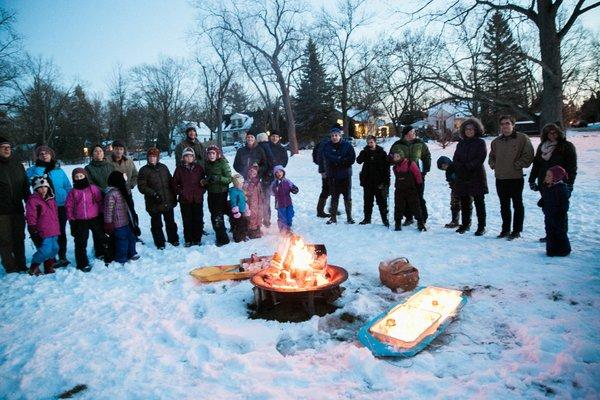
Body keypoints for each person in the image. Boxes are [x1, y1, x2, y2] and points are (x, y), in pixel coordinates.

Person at [529, 123, 577, 241]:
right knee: (548, 210)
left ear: (559, 132)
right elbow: (536, 165)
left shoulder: (566, 146)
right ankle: (550, 234)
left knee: (560, 211)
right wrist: (531, 179)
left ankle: (561, 237)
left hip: (560, 185)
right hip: (544, 183)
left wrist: (570, 184)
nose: (552, 135)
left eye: (554, 132)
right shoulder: (542, 146)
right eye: (549, 132)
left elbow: (572, 167)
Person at [488, 115, 534, 240]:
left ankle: (517, 230)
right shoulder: (496, 142)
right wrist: (493, 165)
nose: (504, 126)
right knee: (504, 205)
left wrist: (517, 165)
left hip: (515, 177)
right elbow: (491, 156)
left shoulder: (522, 138)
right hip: (500, 178)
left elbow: (528, 155)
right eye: (502, 124)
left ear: (513, 125)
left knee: (517, 204)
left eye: (507, 123)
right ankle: (505, 229)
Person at [26, 145, 72, 267]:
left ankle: (62, 256)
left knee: (60, 231)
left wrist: (67, 200)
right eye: (41, 153)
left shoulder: (58, 170)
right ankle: (49, 258)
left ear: (51, 155)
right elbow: (26, 186)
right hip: (43, 208)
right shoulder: (32, 171)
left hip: (60, 205)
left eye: (47, 153)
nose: (44, 154)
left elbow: (67, 186)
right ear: (37, 156)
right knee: (46, 233)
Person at [388, 125, 431, 225]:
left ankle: (422, 218)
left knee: (419, 196)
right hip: (402, 176)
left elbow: (426, 156)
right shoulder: (397, 144)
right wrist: (392, 159)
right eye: (413, 131)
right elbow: (390, 158)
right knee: (404, 197)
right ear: (407, 133)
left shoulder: (420, 143)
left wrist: (426, 169)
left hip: (417, 174)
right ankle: (408, 217)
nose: (414, 133)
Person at [452, 118, 489, 236]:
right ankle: (465, 224)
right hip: (462, 176)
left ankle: (481, 226)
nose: (469, 131)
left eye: (471, 129)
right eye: (467, 129)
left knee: (479, 202)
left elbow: (480, 158)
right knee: (464, 202)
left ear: (476, 130)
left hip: (476, 175)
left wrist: (467, 166)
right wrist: (460, 167)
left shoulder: (480, 143)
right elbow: (455, 158)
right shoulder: (460, 144)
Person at [137, 147, 179, 249]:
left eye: (154, 156)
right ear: (147, 158)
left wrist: (174, 193)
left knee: (170, 222)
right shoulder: (143, 170)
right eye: (150, 156)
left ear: (158, 157)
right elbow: (141, 186)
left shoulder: (164, 167)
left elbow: (170, 181)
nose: (152, 159)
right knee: (156, 224)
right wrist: (153, 193)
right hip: (154, 202)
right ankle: (160, 243)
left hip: (167, 200)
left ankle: (173, 239)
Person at [65, 168, 104, 272]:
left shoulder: (93, 188)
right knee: (80, 242)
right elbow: (69, 207)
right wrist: (72, 220)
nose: (79, 178)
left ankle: (101, 253)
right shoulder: (72, 192)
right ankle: (82, 263)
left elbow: (99, 201)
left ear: (85, 176)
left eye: (81, 176)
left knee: (100, 236)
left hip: (94, 218)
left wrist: (101, 214)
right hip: (80, 220)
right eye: (76, 177)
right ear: (73, 179)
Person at [0, 137, 30, 273]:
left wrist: (30, 202)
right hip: (2, 212)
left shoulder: (18, 165)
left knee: (19, 237)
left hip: (17, 208)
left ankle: (21, 264)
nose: (7, 149)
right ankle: (10, 267)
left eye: (9, 147)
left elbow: (25, 186)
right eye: (3, 147)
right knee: (5, 240)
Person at [320, 125, 356, 224]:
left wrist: (339, 160)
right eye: (332, 136)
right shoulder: (327, 146)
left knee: (347, 197)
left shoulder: (347, 145)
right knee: (334, 197)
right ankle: (333, 217)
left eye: (336, 135)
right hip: (333, 176)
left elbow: (351, 159)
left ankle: (349, 217)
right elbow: (327, 157)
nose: (334, 137)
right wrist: (340, 159)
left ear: (340, 136)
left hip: (345, 175)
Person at [25, 176, 60, 275]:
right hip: (43, 231)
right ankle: (34, 266)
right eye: (40, 187)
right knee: (45, 250)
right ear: (36, 189)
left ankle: (48, 266)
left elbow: (55, 213)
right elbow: (31, 216)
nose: (43, 189)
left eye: (45, 187)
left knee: (55, 249)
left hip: (54, 230)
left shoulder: (51, 199)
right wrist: (33, 229)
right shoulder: (33, 201)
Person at [173, 147, 206, 247]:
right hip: (185, 199)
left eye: (191, 156)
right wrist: (181, 192)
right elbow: (174, 183)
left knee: (198, 219)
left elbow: (204, 181)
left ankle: (197, 239)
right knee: (187, 220)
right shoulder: (179, 169)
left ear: (193, 157)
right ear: (183, 157)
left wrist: (201, 190)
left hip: (197, 198)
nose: (188, 158)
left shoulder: (199, 168)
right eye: (186, 156)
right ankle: (188, 239)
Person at [104, 171, 138, 263]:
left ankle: (132, 253)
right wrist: (108, 223)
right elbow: (108, 211)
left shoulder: (122, 190)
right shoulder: (111, 194)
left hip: (126, 221)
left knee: (131, 238)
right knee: (122, 241)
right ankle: (121, 258)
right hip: (118, 223)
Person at [356, 135, 390, 226]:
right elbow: (358, 161)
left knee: (382, 202)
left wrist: (386, 182)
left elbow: (387, 169)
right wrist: (363, 153)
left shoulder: (382, 153)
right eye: (368, 142)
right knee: (367, 201)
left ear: (375, 142)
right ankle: (367, 219)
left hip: (379, 182)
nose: (370, 144)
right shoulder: (365, 152)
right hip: (367, 181)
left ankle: (384, 219)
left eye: (371, 142)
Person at [109, 140, 140, 237]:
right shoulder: (107, 162)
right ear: (113, 149)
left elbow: (136, 175)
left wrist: (131, 184)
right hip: (113, 196)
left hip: (127, 193)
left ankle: (134, 234)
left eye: (121, 149)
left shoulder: (129, 161)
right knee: (117, 217)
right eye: (117, 149)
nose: (119, 151)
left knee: (131, 213)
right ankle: (118, 237)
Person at [540, 165, 571, 257]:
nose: (546, 178)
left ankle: (564, 250)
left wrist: (561, 213)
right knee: (550, 232)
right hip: (548, 214)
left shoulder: (561, 189)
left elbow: (565, 203)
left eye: (549, 176)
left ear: (556, 177)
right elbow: (545, 198)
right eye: (546, 175)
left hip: (559, 216)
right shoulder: (547, 187)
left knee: (560, 233)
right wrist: (541, 202)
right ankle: (551, 250)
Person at [204, 145, 232, 247]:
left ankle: (223, 239)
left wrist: (219, 178)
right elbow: (207, 177)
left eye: (213, 153)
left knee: (217, 216)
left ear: (217, 154)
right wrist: (206, 181)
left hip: (221, 193)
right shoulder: (207, 164)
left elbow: (229, 179)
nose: (211, 155)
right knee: (214, 215)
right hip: (211, 193)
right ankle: (220, 233)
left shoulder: (223, 163)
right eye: (209, 153)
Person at [391, 154, 426, 232]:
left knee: (415, 206)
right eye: (394, 157)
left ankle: (420, 223)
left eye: (397, 156)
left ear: (402, 156)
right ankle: (398, 222)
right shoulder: (395, 167)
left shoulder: (410, 163)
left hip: (411, 189)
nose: (396, 158)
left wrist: (419, 185)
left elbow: (417, 174)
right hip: (399, 189)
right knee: (398, 206)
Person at [271, 165, 299, 233]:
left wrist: (294, 189)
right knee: (282, 217)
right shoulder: (274, 183)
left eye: (280, 171)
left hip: (288, 202)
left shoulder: (287, 181)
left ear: (283, 172)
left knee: (290, 214)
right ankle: (283, 230)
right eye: (277, 172)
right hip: (280, 204)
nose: (279, 173)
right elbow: (271, 192)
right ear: (275, 174)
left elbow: (293, 187)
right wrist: (276, 189)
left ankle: (288, 226)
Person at [437, 156, 462, 228]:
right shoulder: (448, 171)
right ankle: (455, 221)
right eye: (442, 167)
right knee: (454, 204)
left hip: (463, 188)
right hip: (454, 189)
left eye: (444, 165)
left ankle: (466, 222)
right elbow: (450, 180)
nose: (444, 167)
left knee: (465, 205)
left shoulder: (456, 166)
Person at [256, 132, 275, 227]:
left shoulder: (262, 147)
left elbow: (270, 161)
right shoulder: (268, 146)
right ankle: (266, 219)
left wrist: (267, 174)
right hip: (266, 176)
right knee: (265, 199)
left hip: (265, 176)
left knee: (264, 198)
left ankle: (266, 219)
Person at [313, 134, 332, 218]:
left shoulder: (328, 141)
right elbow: (320, 157)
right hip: (326, 171)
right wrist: (322, 171)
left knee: (329, 190)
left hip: (330, 171)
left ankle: (324, 210)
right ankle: (320, 211)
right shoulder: (326, 142)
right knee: (326, 190)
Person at [243, 164, 263, 239]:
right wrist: (250, 186)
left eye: (254, 173)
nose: (252, 175)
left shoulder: (258, 182)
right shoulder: (246, 182)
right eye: (250, 173)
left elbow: (260, 192)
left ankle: (257, 228)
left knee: (258, 215)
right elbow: (245, 192)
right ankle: (251, 231)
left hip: (258, 202)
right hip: (250, 202)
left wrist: (262, 200)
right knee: (252, 215)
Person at [229, 174, 249, 242]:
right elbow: (233, 202)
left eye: (242, 183)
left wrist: (246, 207)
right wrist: (236, 211)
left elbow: (243, 200)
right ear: (236, 183)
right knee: (238, 224)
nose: (242, 184)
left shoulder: (241, 191)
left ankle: (243, 236)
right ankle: (237, 238)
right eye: (240, 183)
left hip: (242, 210)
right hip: (237, 212)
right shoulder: (234, 191)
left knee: (244, 223)